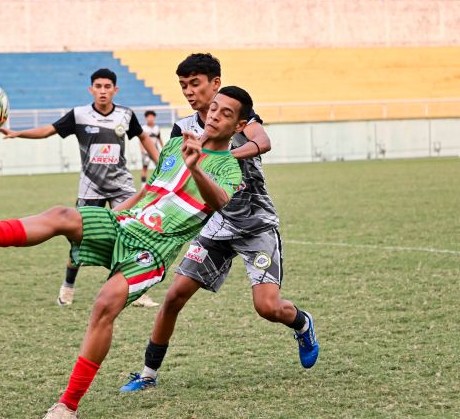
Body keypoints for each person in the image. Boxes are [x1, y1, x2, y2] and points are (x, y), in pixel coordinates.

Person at [0, 86, 250, 419]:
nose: (215, 115)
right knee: (62, 215)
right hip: (124, 223)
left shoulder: (230, 168)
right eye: (214, 108)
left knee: (104, 306)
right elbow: (149, 189)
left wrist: (196, 167)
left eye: (226, 114)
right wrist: (117, 214)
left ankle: (67, 406)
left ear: (240, 126)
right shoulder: (175, 144)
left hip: (152, 251)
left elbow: (218, 202)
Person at [119, 53, 319, 393]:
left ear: (215, 83)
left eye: (195, 84)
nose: (188, 92)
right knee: (173, 298)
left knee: (267, 307)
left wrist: (221, 155)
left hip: (255, 226)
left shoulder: (239, 114)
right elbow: (171, 176)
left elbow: (263, 142)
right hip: (214, 226)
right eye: (183, 86)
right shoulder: (183, 128)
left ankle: (302, 323)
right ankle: (147, 374)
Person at [0, 68, 160, 308]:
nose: (103, 91)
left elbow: (144, 138)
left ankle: (137, 291)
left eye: (108, 87)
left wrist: (161, 163)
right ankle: (68, 286)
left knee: (132, 236)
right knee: (79, 239)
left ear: (115, 90)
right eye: (98, 86)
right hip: (90, 189)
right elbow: (47, 131)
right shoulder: (79, 115)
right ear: (91, 89)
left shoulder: (126, 115)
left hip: (122, 187)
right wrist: (18, 133)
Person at [139, 110, 163, 185]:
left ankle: (159, 184)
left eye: (152, 117)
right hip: (146, 151)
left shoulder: (157, 128)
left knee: (160, 166)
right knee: (145, 167)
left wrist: (163, 148)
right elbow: (141, 140)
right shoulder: (143, 128)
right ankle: (143, 185)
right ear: (146, 118)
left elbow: (159, 139)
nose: (150, 118)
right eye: (148, 117)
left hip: (155, 150)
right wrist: (142, 149)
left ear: (154, 118)